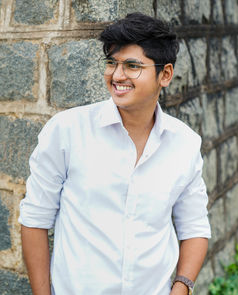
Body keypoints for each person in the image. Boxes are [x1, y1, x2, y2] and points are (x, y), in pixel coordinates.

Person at [19, 12, 211, 295]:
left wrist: (182, 287)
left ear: (165, 74)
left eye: (133, 66)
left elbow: (194, 226)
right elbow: (35, 219)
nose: (117, 76)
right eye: (112, 63)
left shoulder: (184, 144)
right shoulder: (67, 131)